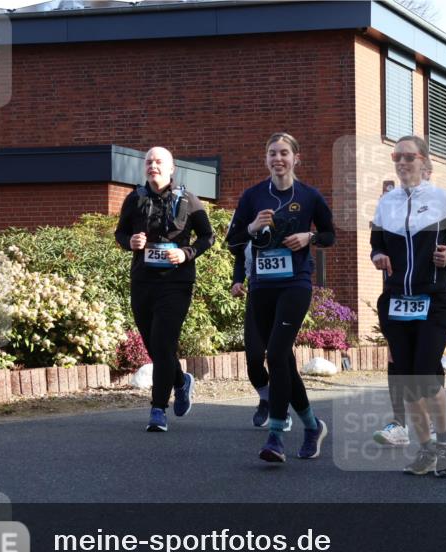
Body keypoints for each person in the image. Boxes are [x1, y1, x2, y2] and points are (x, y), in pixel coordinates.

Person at [370, 135, 446, 476]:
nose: (402, 163)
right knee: (407, 380)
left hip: (434, 301)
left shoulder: (441, 200)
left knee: (424, 377)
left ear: (423, 162)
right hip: (396, 301)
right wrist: (378, 255)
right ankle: (427, 449)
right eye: (396, 157)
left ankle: (445, 445)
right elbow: (375, 244)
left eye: (408, 157)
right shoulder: (385, 204)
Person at [225, 132, 335, 463]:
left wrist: (309, 236)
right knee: (283, 359)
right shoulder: (252, 196)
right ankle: (313, 426)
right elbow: (231, 241)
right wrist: (252, 228)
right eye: (272, 153)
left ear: (295, 158)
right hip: (261, 285)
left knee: (275, 352)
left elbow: (330, 235)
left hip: (295, 283)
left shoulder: (310, 196)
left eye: (284, 153)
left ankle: (275, 435)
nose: (278, 158)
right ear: (266, 159)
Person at [114, 146, 214, 432]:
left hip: (176, 282)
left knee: (162, 341)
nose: (152, 165)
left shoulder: (188, 200)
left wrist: (186, 253)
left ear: (171, 169)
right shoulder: (135, 198)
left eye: (159, 161)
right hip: (143, 281)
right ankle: (181, 381)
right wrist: (129, 242)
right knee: (154, 345)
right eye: (149, 161)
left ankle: (158, 409)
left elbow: (208, 236)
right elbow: (120, 233)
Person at [229, 243, 292, 432]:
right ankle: (266, 397)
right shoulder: (248, 220)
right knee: (254, 358)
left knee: (278, 356)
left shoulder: (288, 217)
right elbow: (240, 255)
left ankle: (282, 410)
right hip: (257, 294)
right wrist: (237, 280)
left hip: (286, 294)